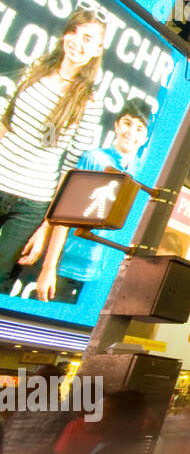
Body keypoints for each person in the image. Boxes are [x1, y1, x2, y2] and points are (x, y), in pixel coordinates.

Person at [0, 9, 105, 285]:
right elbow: (5, 124)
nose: (77, 42)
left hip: (31, 205)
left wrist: (45, 227)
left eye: (87, 38)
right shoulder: (35, 69)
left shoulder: (89, 102)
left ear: (97, 49)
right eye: (74, 32)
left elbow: (68, 172)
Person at [21, 99, 152, 303]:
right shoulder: (94, 159)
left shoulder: (143, 173)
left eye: (139, 128)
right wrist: (49, 267)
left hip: (103, 274)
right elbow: (66, 214)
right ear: (117, 125)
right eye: (127, 123)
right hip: (68, 266)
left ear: (145, 137)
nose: (131, 133)